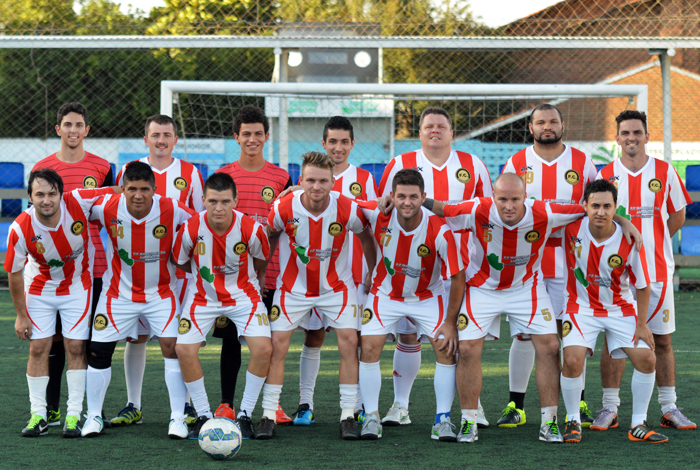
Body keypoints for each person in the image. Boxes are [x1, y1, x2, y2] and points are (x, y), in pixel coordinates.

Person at [425, 172, 640, 443]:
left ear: (526, 197)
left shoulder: (545, 212)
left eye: (516, 199)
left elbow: (591, 209)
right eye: (502, 199)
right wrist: (408, 200)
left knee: (550, 346)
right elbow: (442, 208)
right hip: (482, 288)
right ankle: (469, 421)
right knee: (467, 349)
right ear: (494, 197)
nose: (509, 205)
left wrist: (622, 220)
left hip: (527, 289)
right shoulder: (477, 209)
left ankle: (548, 422)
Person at [377, 106, 493, 428]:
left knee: (459, 339)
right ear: (420, 132)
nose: (435, 131)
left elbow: (486, 214)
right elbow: (384, 208)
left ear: (452, 133)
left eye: (442, 126)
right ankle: (400, 406)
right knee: (408, 336)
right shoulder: (400, 163)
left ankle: (474, 405)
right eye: (429, 126)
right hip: (411, 268)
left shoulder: (474, 165)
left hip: (459, 270)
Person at [260, 151, 376, 440]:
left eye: (323, 181)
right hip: (292, 288)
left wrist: (374, 270)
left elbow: (365, 236)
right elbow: (270, 236)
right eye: (311, 180)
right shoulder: (283, 207)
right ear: (301, 180)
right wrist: (260, 274)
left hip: (337, 288)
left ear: (333, 182)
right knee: (277, 346)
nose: (316, 187)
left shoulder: (347, 208)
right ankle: (267, 414)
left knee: (350, 343)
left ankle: (348, 416)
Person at [594, 110, 695, 431]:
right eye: (625, 133)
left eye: (637, 132)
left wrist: (654, 241)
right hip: (616, 276)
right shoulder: (606, 174)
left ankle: (669, 407)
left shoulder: (664, 172)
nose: (631, 138)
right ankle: (609, 409)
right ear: (617, 138)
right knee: (615, 344)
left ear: (647, 136)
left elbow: (677, 216)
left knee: (662, 342)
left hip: (657, 273)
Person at [80, 162, 196, 439]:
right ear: (122, 189)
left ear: (155, 190)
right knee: (97, 351)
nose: (138, 195)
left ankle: (177, 418)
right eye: (132, 189)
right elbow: (70, 203)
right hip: (118, 294)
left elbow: (203, 223)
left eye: (145, 189)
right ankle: (93, 416)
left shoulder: (172, 208)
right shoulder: (106, 206)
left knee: (172, 348)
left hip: (161, 294)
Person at [499, 103, 598, 428]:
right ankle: (516, 404)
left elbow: (599, 204)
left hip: (570, 260)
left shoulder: (582, 162)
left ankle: (577, 401)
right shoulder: (516, 162)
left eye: (553, 121)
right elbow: (502, 210)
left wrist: (624, 223)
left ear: (562, 124)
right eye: (540, 122)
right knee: (526, 335)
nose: (547, 126)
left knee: (568, 331)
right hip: (529, 262)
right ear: (530, 128)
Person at [357, 169, 465, 441]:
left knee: (445, 349)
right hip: (384, 294)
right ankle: (371, 417)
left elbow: (457, 276)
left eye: (413, 197)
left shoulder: (440, 230)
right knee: (368, 348)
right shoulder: (377, 213)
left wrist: (450, 322)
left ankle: (443, 420)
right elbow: (337, 200)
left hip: (428, 297)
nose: (407, 202)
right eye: (401, 196)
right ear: (391, 196)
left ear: (423, 197)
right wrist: (297, 190)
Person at [6, 169, 115, 437]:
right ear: (30, 197)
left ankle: (74, 415)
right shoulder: (20, 228)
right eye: (40, 194)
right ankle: (39, 416)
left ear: (61, 194)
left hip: (78, 286)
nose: (47, 200)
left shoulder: (79, 201)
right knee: (38, 348)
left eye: (52, 194)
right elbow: (14, 273)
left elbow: (119, 190)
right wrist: (21, 316)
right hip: (40, 288)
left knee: (76, 347)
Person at [110, 115, 204, 427]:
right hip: (135, 273)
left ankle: (186, 407)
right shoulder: (130, 170)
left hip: (175, 275)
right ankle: (132, 404)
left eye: (167, 134)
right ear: (146, 138)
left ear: (176, 139)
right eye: (155, 134)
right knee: (135, 338)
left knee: (177, 341)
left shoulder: (189, 173)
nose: (161, 140)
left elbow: (197, 222)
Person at [560, 178, 668, 444]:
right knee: (572, 360)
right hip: (580, 307)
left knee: (648, 360)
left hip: (620, 308)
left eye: (607, 206)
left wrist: (642, 323)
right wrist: (624, 219)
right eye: (595, 205)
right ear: (584, 206)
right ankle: (573, 421)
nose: (601, 212)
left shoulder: (630, 239)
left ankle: (638, 424)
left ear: (615, 207)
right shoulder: (570, 228)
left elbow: (642, 286)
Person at [172, 172, 273, 439]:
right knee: (183, 349)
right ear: (203, 200)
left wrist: (248, 278)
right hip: (202, 298)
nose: (219, 207)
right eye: (213, 201)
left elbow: (261, 258)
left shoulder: (251, 228)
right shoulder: (191, 228)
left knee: (264, 349)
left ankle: (244, 415)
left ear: (236, 201)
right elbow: (181, 262)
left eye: (226, 201)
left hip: (244, 296)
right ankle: (204, 415)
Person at [32, 103, 114, 429]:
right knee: (53, 342)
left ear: (87, 130)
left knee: (91, 342)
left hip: (93, 269)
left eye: (78, 125)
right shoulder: (42, 167)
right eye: (67, 124)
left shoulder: (103, 167)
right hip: (52, 272)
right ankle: (52, 408)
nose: (73, 130)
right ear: (58, 129)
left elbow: (112, 212)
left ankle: (92, 409)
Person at [292, 116, 378, 426]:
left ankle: (354, 406)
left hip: (349, 274)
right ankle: (305, 403)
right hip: (313, 274)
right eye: (332, 141)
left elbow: (370, 222)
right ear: (323, 143)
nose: (338, 147)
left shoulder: (364, 178)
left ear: (352, 144)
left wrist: (371, 269)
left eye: (344, 142)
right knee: (313, 336)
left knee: (352, 338)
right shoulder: (308, 178)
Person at [216, 105, 293, 425]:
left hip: (271, 273)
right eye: (245, 133)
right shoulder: (223, 175)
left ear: (266, 136)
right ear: (236, 137)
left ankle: (270, 404)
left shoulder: (281, 177)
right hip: (231, 276)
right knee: (232, 341)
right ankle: (226, 404)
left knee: (271, 343)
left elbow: (286, 223)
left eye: (257, 133)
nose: (252, 139)